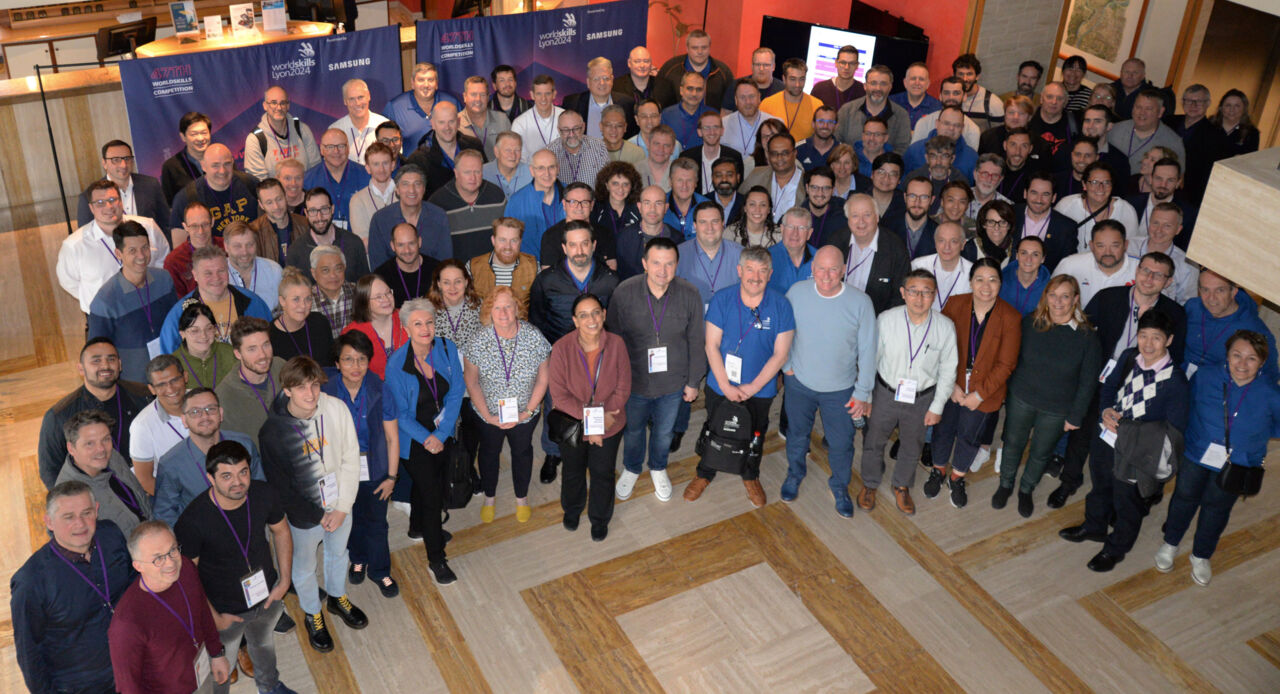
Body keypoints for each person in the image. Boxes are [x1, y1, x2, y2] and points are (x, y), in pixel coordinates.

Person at [1056, 310, 1189, 572]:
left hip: (1135, 454)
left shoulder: (1175, 382)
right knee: (1100, 486)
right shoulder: (1129, 357)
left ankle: (1116, 549)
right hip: (1106, 439)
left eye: (1156, 338)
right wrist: (1105, 410)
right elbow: (1109, 387)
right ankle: (1094, 526)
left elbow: (1173, 431)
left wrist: (1127, 429)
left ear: (1169, 340)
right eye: (1143, 336)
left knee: (1128, 503)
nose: (1148, 344)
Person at [260, 356, 367, 652]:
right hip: (304, 516)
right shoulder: (273, 431)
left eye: (314, 385)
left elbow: (350, 457)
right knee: (304, 568)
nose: (310, 394)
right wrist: (319, 515)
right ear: (287, 390)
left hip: (341, 502)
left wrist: (343, 506)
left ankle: (336, 597)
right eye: (301, 387)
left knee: (338, 553)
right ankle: (313, 613)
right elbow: (281, 488)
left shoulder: (335, 408)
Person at [1156, 330, 1280, 585]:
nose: (1242, 364)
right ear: (1227, 355)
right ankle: (1171, 543)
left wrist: (1252, 437)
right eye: (1237, 355)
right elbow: (1187, 404)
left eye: (1251, 359)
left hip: (1239, 463)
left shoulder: (1271, 394)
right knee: (1183, 498)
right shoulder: (1206, 376)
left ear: (1262, 362)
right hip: (1196, 452)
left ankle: (1201, 555)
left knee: (1217, 508)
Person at [173, 440, 295, 694]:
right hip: (223, 611)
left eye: (243, 472)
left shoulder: (263, 493)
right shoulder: (193, 521)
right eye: (226, 476)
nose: (237, 482)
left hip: (266, 595)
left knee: (263, 644)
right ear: (210, 478)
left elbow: (281, 531)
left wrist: (284, 581)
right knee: (220, 669)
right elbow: (187, 577)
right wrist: (212, 617)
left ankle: (269, 686)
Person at [684, 246, 794, 507]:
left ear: (770, 274)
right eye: (750, 269)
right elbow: (711, 345)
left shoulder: (781, 305)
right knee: (715, 427)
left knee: (755, 433)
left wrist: (753, 387)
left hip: (761, 389)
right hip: (720, 385)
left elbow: (780, 354)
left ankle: (750, 474)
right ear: (739, 271)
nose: (755, 277)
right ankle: (705, 472)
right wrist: (725, 385)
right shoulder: (722, 299)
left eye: (762, 271)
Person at [11, 481, 135, 694]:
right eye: (68, 517)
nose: (80, 524)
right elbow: (29, 655)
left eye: (86, 513)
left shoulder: (111, 535)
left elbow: (134, 585)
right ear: (49, 522)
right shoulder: (31, 582)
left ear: (96, 510)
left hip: (133, 668)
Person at [606, 237, 705, 502]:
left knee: (664, 431)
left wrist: (693, 382)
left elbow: (697, 341)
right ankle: (632, 467)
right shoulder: (624, 292)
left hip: (673, 383)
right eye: (656, 263)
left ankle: (658, 467)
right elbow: (613, 341)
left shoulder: (690, 294)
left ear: (677, 265)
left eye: (669, 264)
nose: (663, 271)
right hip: (634, 381)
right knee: (634, 429)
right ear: (644, 264)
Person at [994, 275, 1101, 517]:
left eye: (1065, 296)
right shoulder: (1029, 324)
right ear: (1046, 297)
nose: (1058, 302)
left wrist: (1075, 415)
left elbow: (1087, 382)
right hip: (1021, 399)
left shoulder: (1087, 337)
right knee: (1012, 444)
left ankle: (1026, 489)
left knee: (1041, 452)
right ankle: (1006, 484)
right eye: (1053, 295)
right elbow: (1011, 360)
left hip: (1057, 408)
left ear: (1075, 299)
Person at [780, 245, 876, 515]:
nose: (826, 275)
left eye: (833, 269)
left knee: (842, 443)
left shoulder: (860, 302)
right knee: (797, 435)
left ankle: (840, 486)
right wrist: (786, 366)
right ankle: (794, 473)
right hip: (799, 384)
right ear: (812, 269)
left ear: (843, 270)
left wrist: (863, 392)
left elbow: (870, 350)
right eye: (821, 268)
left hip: (842, 390)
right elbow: (783, 332)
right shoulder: (797, 293)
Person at [857, 269, 957, 515]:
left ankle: (901, 485)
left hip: (922, 398)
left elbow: (948, 370)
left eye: (926, 292)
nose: (919, 298)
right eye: (913, 291)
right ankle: (870, 483)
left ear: (934, 295)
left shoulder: (945, 327)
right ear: (903, 293)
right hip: (885, 393)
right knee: (873, 441)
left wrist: (937, 406)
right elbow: (870, 360)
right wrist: (867, 396)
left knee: (912, 445)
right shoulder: (886, 320)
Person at [925, 259, 1021, 507]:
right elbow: (939, 346)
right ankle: (938, 470)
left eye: (993, 280)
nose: (986, 286)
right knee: (943, 430)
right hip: (951, 384)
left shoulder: (1010, 317)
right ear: (970, 282)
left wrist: (979, 395)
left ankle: (957, 477)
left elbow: (1006, 364)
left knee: (969, 436)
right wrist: (952, 387)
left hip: (985, 393)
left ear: (1001, 283)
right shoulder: (956, 303)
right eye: (980, 279)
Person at [382, 299, 466, 583]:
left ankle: (418, 527)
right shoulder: (396, 365)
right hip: (414, 439)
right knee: (432, 498)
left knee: (432, 485)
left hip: (443, 434)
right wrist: (428, 438)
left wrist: (441, 436)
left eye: (429, 322)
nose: (425, 328)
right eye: (418, 324)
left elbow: (457, 391)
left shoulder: (446, 347)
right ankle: (437, 559)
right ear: (406, 329)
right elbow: (400, 415)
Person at [317, 331, 396, 598]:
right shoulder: (324, 390)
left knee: (376, 521)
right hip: (338, 470)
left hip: (374, 467)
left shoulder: (379, 388)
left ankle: (381, 570)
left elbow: (391, 436)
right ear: (337, 363)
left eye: (361, 359)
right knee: (348, 517)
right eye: (348, 360)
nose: (355, 367)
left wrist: (392, 477)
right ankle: (358, 558)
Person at [463, 287, 552, 523]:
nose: (503, 312)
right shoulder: (478, 341)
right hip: (488, 414)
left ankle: (521, 497)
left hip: (525, 413)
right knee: (489, 452)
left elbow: (544, 378)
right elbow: (471, 382)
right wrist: (486, 415)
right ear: (489, 311)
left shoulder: (534, 337)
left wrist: (529, 411)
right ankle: (489, 497)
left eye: (508, 306)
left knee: (522, 452)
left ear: (517, 309)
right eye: (497, 307)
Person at [108, 521, 229, 693]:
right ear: (138, 566)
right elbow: (128, 686)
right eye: (158, 558)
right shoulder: (127, 622)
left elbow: (202, 610)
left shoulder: (186, 568)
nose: (170, 563)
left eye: (172, 550)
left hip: (202, 674)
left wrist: (216, 653)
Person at [547, 294, 630, 541]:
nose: (591, 319)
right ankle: (572, 509)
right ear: (575, 320)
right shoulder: (561, 348)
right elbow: (559, 396)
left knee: (602, 472)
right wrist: (592, 420)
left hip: (611, 422)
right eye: (583, 315)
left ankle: (600, 518)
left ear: (604, 314)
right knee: (573, 470)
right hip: (573, 424)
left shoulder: (617, 344)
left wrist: (603, 421)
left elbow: (623, 389)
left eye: (595, 312)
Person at [39, 338, 150, 489]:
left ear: (120, 364)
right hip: (99, 496)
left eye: (111, 359)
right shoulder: (59, 415)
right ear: (81, 369)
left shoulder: (143, 395)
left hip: (147, 482)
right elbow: (50, 470)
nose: (105, 366)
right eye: (96, 361)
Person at [153, 387, 264, 526]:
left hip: (247, 525)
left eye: (211, 409)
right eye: (195, 412)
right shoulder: (171, 463)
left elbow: (260, 489)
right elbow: (165, 514)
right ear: (184, 420)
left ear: (221, 413)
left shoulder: (244, 444)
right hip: (201, 539)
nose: (204, 417)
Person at [59, 180, 170, 316]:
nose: (109, 207)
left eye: (113, 200)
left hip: (151, 307)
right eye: (100, 203)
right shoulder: (74, 246)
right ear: (91, 208)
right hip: (106, 317)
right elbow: (69, 282)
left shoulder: (148, 227)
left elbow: (164, 260)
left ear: (121, 201)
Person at [88, 220, 180, 382]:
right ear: (118, 254)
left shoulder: (164, 279)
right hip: (134, 383)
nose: (141, 256)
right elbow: (98, 354)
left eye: (145, 248)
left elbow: (177, 323)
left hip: (171, 374)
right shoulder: (104, 301)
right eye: (132, 250)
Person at [54, 410, 151, 537]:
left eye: (106, 439)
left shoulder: (112, 457)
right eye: (90, 443)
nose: (101, 449)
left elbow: (140, 498)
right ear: (71, 448)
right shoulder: (67, 496)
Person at [159, 246, 273, 352]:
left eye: (221, 271)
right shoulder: (179, 314)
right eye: (208, 273)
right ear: (195, 275)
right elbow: (170, 360)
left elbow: (270, 343)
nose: (216, 278)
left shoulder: (252, 303)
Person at [1182, 269, 1279, 382]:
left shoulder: (1255, 329)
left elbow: (1269, 376)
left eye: (1220, 290)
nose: (1211, 298)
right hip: (1181, 379)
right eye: (1205, 290)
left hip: (1219, 390)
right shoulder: (1192, 307)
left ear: (1233, 292)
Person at [215, 318, 286, 448]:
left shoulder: (281, 367)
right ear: (238, 354)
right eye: (252, 349)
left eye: (266, 345)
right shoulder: (224, 397)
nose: (262, 355)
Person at [77, 139, 170, 237]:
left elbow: (166, 224)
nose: (123, 165)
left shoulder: (150, 185)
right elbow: (86, 235)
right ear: (104, 163)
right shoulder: (89, 196)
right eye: (116, 160)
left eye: (127, 159)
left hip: (151, 248)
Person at [428, 148, 508, 260]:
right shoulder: (438, 202)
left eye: (477, 172)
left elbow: (506, 236)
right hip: (456, 272)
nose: (473, 178)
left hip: (492, 269)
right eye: (467, 172)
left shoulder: (497, 196)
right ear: (456, 173)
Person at [169, 144, 259, 240]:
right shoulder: (186, 197)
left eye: (227, 164)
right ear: (203, 166)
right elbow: (179, 246)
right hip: (212, 253)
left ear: (233, 162)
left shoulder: (251, 184)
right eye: (215, 165)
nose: (222, 171)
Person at [367, 164, 451, 268]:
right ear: (397, 189)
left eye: (417, 184)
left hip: (432, 281)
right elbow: (378, 266)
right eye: (405, 184)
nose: (412, 190)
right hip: (392, 281)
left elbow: (445, 262)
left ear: (424, 189)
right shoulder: (380, 220)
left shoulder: (439, 216)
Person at [127, 355, 188, 495]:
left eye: (175, 380)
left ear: (185, 377)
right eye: (161, 384)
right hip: (174, 498)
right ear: (152, 389)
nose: (170, 389)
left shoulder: (203, 403)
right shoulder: (141, 426)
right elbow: (145, 480)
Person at [842, 193, 911, 314]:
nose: (861, 222)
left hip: (878, 321)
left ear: (877, 217)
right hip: (841, 316)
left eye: (867, 215)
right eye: (855, 216)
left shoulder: (896, 248)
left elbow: (900, 296)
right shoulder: (836, 241)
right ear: (848, 220)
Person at [286, 188, 371, 283]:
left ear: (332, 209)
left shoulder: (354, 243)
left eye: (324, 209)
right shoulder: (295, 251)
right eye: (313, 211)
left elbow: (365, 288)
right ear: (306, 213)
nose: (319, 217)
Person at [405, 102, 487, 198]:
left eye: (451, 121)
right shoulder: (418, 159)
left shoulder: (474, 146)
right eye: (441, 122)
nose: (447, 127)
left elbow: (485, 180)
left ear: (458, 122)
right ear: (433, 124)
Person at [1053, 163, 1139, 253]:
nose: (1101, 188)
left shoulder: (1126, 210)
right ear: (1084, 184)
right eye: (1094, 182)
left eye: (1106, 182)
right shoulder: (1066, 206)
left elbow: (1131, 248)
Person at [1053, 220, 1140, 306]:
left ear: (1126, 245)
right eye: (1100, 246)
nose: (1108, 253)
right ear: (1091, 246)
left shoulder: (1141, 269)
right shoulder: (1070, 265)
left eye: (1115, 246)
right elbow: (1050, 299)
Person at [386, 63, 461, 158]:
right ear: (412, 83)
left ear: (437, 83)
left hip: (449, 168)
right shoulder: (394, 107)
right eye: (421, 80)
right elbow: (385, 145)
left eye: (430, 80)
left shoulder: (452, 103)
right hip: (412, 169)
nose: (426, 85)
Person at [245, 85, 320, 180]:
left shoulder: (302, 129)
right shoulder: (255, 140)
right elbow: (259, 182)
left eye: (283, 103)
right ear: (265, 106)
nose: (279, 108)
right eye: (273, 103)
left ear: (288, 106)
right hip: (274, 194)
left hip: (304, 191)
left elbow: (315, 168)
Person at [303, 130, 373, 232]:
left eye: (341, 146)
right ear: (322, 150)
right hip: (322, 242)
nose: (336, 151)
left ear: (348, 148)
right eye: (330, 147)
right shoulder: (308, 180)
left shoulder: (367, 176)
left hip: (359, 241)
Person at [540, 182, 621, 269]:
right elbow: (547, 275)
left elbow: (611, 269)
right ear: (564, 204)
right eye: (573, 202)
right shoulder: (550, 236)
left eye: (585, 202)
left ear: (592, 205)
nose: (579, 207)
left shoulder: (605, 233)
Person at [341, 274, 408, 378]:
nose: (386, 299)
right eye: (378, 297)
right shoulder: (351, 333)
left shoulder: (408, 319)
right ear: (364, 302)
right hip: (374, 390)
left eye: (388, 293)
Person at [835, 64, 912, 154]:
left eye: (883, 84)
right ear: (865, 86)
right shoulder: (847, 111)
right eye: (873, 83)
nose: (878, 88)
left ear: (890, 87)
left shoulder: (901, 116)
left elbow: (903, 149)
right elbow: (836, 142)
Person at [504, 150, 564, 261]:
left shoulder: (571, 195)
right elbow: (509, 241)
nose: (547, 173)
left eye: (551, 167)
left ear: (558, 168)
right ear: (532, 171)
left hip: (567, 268)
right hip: (531, 269)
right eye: (541, 168)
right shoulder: (516, 202)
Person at [1131, 203, 1197, 303]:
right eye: (1155, 223)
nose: (1159, 230)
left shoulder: (1187, 265)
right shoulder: (1128, 246)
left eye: (1167, 226)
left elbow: (1186, 303)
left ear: (1178, 229)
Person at [470, 217, 539, 313]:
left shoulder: (534, 267)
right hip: (483, 326)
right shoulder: (473, 267)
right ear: (493, 240)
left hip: (521, 326)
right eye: (502, 240)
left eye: (514, 240)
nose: (508, 247)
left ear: (520, 241)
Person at [1108, 90, 1186, 174]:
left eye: (1148, 108)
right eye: (1138, 107)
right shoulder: (1114, 130)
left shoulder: (1173, 143)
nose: (1142, 112)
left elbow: (1177, 179)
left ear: (1160, 112)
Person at [657, 29, 735, 110]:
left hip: (711, 121)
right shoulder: (670, 69)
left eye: (704, 47)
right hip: (676, 121)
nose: (700, 52)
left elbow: (730, 107)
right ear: (687, 48)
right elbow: (659, 103)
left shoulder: (723, 73)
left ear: (709, 48)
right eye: (695, 48)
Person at [271, 268, 335, 366]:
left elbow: (331, 364)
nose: (303, 305)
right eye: (296, 299)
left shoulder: (320, 322)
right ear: (282, 301)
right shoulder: (270, 335)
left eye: (308, 299)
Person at [1124, 158, 1198, 241]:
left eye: (1170, 180)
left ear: (1178, 183)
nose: (1163, 184)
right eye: (1159, 178)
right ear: (1151, 179)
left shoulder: (1188, 215)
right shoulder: (1130, 203)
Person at [562, 57, 636, 140]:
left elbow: (631, 138)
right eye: (596, 79)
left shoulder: (627, 104)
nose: (602, 83)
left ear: (612, 79)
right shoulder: (572, 103)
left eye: (606, 78)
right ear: (588, 82)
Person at [1016, 172, 1077, 270]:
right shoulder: (1010, 215)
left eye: (1045, 194)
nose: (1039, 200)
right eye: (1034, 193)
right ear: (1025, 193)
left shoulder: (1066, 228)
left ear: (1053, 198)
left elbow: (1067, 267)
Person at [373, 221, 440, 308]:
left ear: (419, 242)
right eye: (401, 245)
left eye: (411, 243)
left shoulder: (438, 270)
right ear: (392, 246)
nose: (407, 250)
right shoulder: (381, 276)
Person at [164, 202, 223, 296]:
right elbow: (178, 301)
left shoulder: (226, 247)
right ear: (185, 227)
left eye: (205, 224)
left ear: (212, 222)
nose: (201, 231)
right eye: (194, 226)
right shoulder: (174, 261)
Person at [348, 142, 399, 249]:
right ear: (367, 168)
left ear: (393, 165)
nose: (381, 169)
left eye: (385, 163)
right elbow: (364, 244)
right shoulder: (357, 200)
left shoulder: (405, 195)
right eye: (376, 164)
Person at [911, 223, 972, 311]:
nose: (947, 247)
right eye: (941, 240)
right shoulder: (918, 266)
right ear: (935, 243)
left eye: (953, 241)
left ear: (963, 244)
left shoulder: (973, 272)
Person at [224, 220, 282, 312]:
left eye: (250, 245)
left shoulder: (274, 271)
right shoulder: (217, 275)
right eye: (237, 246)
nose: (244, 252)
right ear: (226, 247)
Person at [679, 111, 742, 195]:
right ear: (699, 132)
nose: (712, 132)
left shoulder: (734, 157)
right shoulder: (687, 157)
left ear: (722, 131)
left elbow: (737, 188)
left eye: (716, 127)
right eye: (707, 128)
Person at [760, 58, 823, 141]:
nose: (797, 84)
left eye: (802, 79)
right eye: (793, 79)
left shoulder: (817, 105)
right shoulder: (767, 104)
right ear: (784, 79)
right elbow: (759, 137)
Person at [910, 79, 982, 151]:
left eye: (956, 93)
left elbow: (969, 159)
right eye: (946, 93)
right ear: (940, 96)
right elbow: (915, 153)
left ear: (964, 96)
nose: (951, 97)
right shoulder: (923, 123)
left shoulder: (973, 130)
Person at [329, 78, 389, 165]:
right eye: (351, 99)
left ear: (368, 96)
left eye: (360, 97)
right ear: (345, 101)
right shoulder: (334, 130)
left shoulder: (384, 126)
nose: (357, 103)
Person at [251, 177, 308, 265]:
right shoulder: (253, 232)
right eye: (269, 202)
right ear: (261, 205)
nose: (276, 207)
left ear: (285, 196)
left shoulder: (305, 224)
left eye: (279, 199)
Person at [304, 246, 357, 338]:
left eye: (338, 269)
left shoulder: (358, 293)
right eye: (325, 270)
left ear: (344, 268)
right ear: (314, 273)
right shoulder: (305, 299)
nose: (333, 275)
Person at [160, 112, 213, 203]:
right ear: (183, 137)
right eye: (194, 134)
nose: (200, 138)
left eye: (204, 133)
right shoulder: (171, 167)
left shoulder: (222, 158)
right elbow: (168, 204)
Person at [511, 75, 565, 163]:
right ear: (532, 95)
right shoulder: (520, 123)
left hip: (563, 172)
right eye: (539, 94)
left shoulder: (565, 118)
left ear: (554, 94)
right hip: (532, 174)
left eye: (547, 93)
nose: (543, 99)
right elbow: (520, 159)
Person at [548, 110, 610, 188]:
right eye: (566, 130)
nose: (571, 134)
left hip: (593, 199)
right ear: (559, 130)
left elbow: (607, 181)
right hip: (562, 200)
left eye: (576, 128)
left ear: (583, 127)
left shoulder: (599, 147)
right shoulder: (550, 152)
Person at [458, 76, 513, 159]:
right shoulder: (454, 123)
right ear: (465, 97)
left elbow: (511, 151)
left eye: (482, 95)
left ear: (488, 97)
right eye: (473, 94)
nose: (478, 99)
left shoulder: (502, 120)